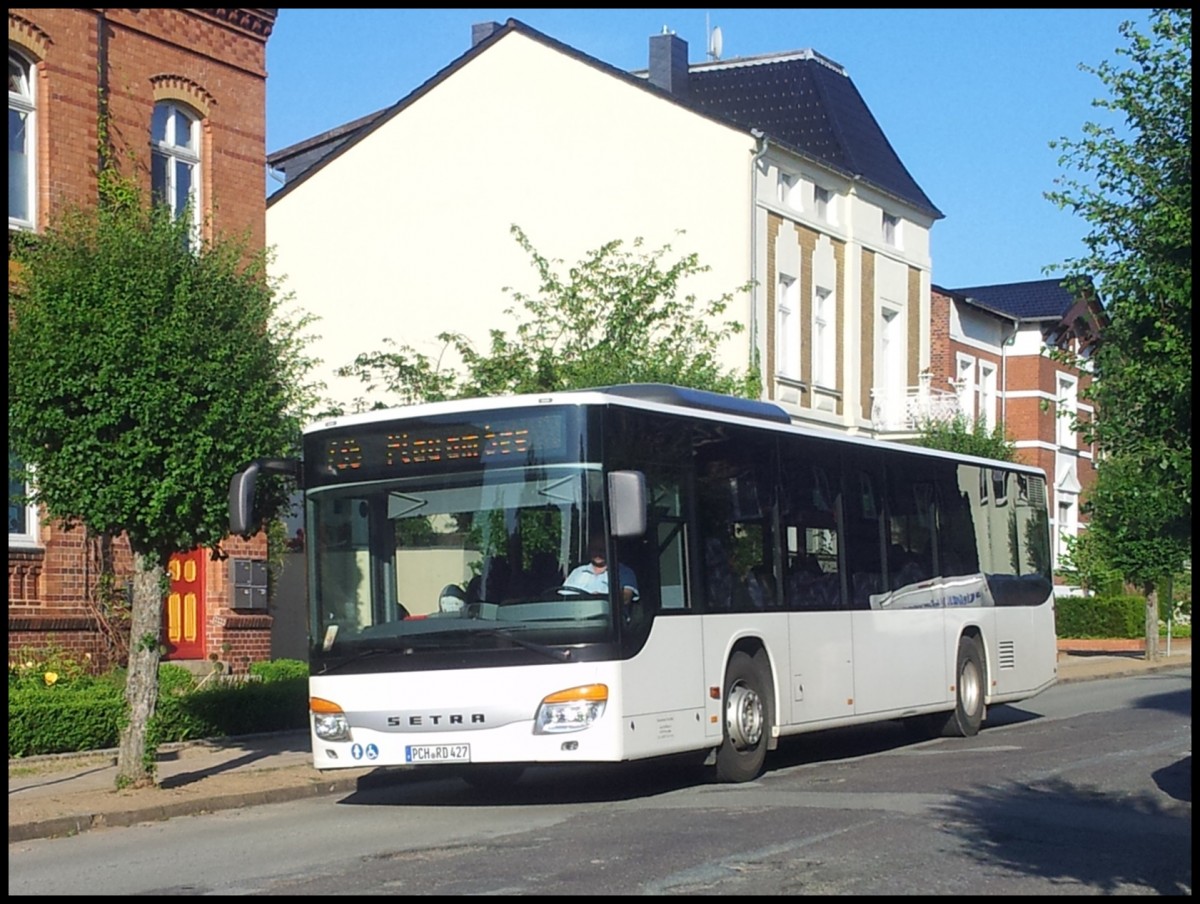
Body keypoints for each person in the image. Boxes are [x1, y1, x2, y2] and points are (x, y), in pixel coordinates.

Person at [564, 533, 639, 605]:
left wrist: (600, 598)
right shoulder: (577, 572)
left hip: (607, 617)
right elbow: (563, 597)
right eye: (595, 549)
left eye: (602, 549)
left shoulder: (624, 572)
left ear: (610, 549)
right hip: (576, 614)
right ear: (589, 550)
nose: (598, 553)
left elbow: (626, 598)